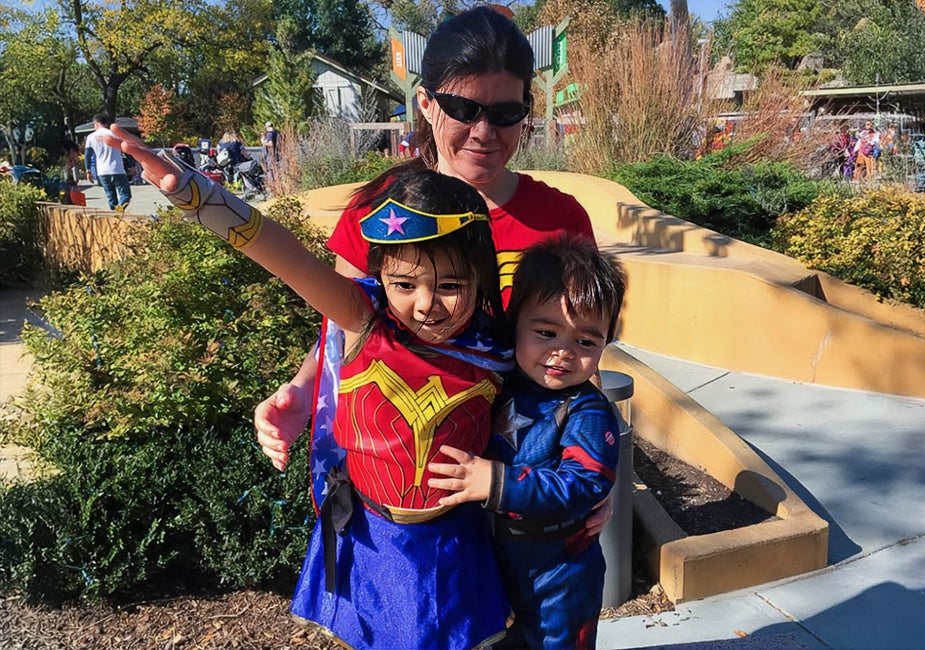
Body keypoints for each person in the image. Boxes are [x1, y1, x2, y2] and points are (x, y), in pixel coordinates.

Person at [101, 124, 515, 649]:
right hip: (373, 539)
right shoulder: (365, 320)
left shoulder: (499, 351)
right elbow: (284, 254)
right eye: (404, 284)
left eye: (451, 285)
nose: (426, 303)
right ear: (380, 275)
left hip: (458, 540)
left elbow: (554, 405)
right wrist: (192, 193)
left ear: (481, 278)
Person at [255, 7, 598, 506]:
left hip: (524, 483)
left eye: (506, 114)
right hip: (406, 488)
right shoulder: (379, 210)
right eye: (463, 109)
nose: (485, 131)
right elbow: (346, 326)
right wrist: (304, 392)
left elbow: (584, 345)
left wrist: (591, 466)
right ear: (427, 103)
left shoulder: (560, 220)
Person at [428, 237, 626, 649]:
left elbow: (585, 483)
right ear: (514, 323)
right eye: (546, 331)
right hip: (494, 556)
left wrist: (496, 482)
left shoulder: (586, 410)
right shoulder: (497, 380)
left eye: (586, 342)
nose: (563, 352)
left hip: (561, 569)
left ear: (607, 342)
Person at [84, 113, 132, 211]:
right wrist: (132, 165)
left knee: (111, 197)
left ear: (96, 123)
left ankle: (114, 214)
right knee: (126, 195)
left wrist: (88, 170)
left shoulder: (90, 137)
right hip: (117, 169)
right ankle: (118, 212)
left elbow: (87, 155)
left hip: (102, 171)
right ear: (105, 123)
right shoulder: (114, 134)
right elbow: (125, 150)